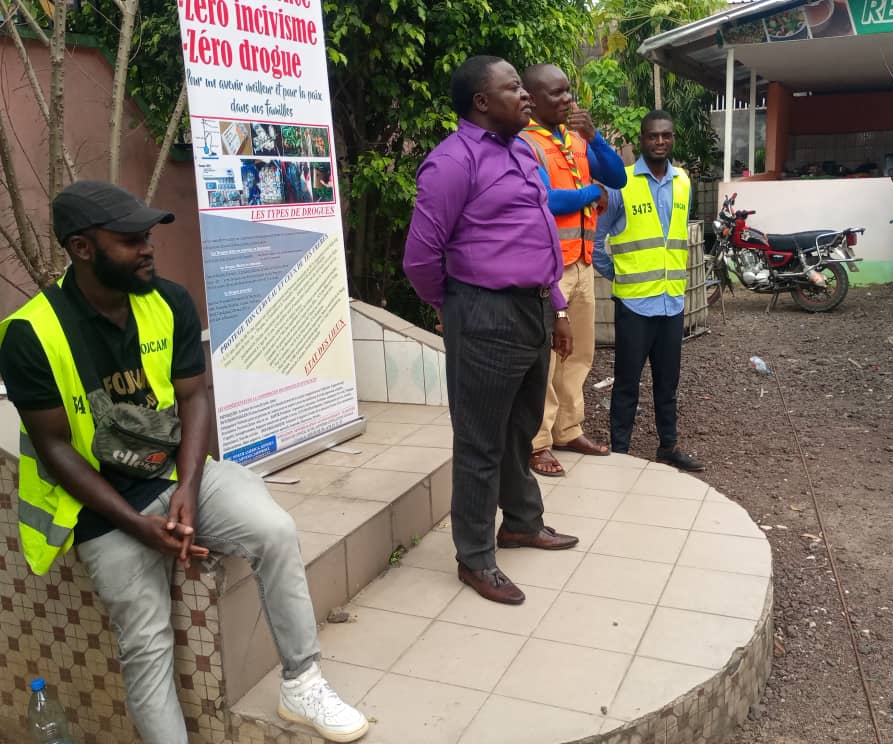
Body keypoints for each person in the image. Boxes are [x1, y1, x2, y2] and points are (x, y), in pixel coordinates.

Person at [0, 181, 369, 744]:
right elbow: (54, 449)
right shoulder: (30, 335)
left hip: (175, 473)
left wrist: (188, 491)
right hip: (99, 507)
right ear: (82, 248)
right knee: (147, 643)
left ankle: (302, 682)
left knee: (274, 530)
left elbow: (194, 397)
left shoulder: (169, 301)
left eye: (147, 236)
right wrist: (136, 525)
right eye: (130, 240)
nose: (148, 249)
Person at [403, 56, 579, 606]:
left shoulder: (522, 150)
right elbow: (420, 258)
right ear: (482, 102)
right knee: (479, 441)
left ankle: (522, 522)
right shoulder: (451, 163)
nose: (525, 96)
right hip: (484, 313)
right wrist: (456, 306)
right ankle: (475, 557)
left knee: (520, 428)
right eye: (513, 88)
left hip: (532, 308)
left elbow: (538, 234)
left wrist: (556, 307)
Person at [517, 64, 627, 477]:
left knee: (579, 353)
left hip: (581, 262)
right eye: (557, 93)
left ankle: (568, 429)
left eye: (568, 91)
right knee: (546, 358)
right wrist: (591, 192)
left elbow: (617, 177)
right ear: (532, 99)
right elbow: (546, 200)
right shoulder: (525, 143)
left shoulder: (576, 137)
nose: (568, 100)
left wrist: (595, 137)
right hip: (550, 267)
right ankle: (538, 442)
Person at [592, 111, 704, 472]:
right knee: (627, 383)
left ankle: (668, 446)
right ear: (641, 139)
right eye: (653, 136)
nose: (660, 142)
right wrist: (620, 274)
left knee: (668, 383)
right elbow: (596, 242)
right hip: (635, 305)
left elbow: (675, 236)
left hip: (672, 302)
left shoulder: (683, 182)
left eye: (666, 135)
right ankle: (620, 452)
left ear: (673, 139)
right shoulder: (620, 183)